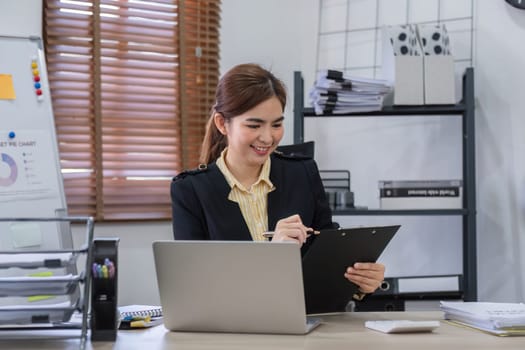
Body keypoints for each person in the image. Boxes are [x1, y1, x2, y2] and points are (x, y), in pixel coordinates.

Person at [170, 63, 385, 308]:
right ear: (222, 123)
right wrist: (273, 256)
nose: (268, 137)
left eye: (276, 124)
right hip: (230, 330)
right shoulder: (190, 190)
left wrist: (360, 282)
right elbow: (194, 285)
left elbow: (329, 262)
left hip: (303, 325)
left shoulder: (303, 173)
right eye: (254, 125)